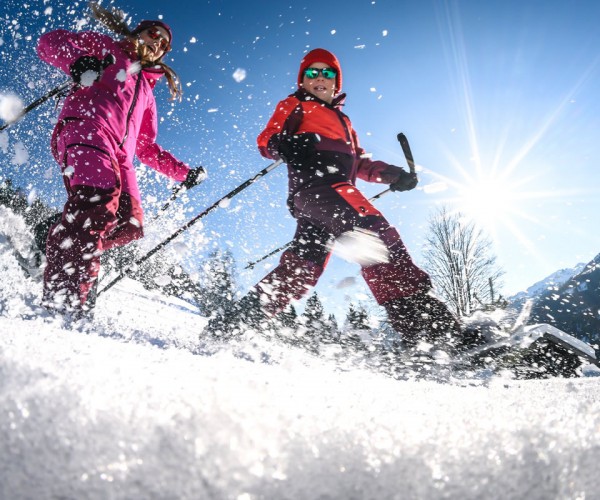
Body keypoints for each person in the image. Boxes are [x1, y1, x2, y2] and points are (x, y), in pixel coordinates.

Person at [212, 48, 461, 351]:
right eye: (311, 72)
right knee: (375, 235)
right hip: (321, 186)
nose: (319, 77)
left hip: (322, 200)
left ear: (336, 82)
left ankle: (230, 324)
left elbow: (361, 165)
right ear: (302, 80)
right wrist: (285, 145)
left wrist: (396, 176)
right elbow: (267, 139)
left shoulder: (346, 123)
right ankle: (433, 333)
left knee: (303, 269)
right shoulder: (295, 104)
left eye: (327, 73)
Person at [36, 3, 206, 318]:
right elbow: (49, 42)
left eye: (164, 45)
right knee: (98, 204)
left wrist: (184, 174)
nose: (157, 44)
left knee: (130, 223)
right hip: (87, 128)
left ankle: (63, 235)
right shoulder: (107, 48)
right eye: (153, 34)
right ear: (137, 32)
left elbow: (146, 148)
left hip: (120, 158)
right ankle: (64, 300)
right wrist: (78, 62)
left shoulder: (149, 94)